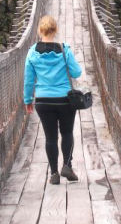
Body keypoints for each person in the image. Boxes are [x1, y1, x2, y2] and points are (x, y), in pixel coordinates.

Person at [24, 15, 83, 184]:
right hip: (64, 100)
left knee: (50, 138)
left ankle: (54, 174)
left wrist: (28, 100)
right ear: (55, 30)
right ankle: (67, 165)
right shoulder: (64, 50)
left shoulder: (31, 52)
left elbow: (28, 80)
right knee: (67, 133)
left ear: (39, 31)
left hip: (43, 100)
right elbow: (77, 72)